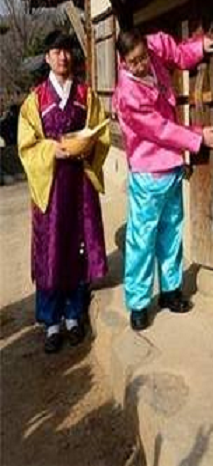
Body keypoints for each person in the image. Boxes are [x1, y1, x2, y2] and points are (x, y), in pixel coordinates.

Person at [113, 28, 213, 331]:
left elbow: (177, 52)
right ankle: (138, 302)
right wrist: (198, 136)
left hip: (171, 165)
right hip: (148, 170)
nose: (141, 65)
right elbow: (160, 129)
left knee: (172, 230)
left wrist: (200, 46)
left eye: (142, 57)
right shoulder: (128, 95)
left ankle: (171, 290)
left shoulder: (154, 46)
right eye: (133, 62)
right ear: (123, 61)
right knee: (142, 239)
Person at [18, 31, 110, 354]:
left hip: (80, 183)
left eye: (67, 51)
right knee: (51, 249)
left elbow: (101, 133)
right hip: (51, 185)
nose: (63, 57)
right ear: (47, 58)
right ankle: (51, 321)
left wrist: (88, 146)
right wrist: (50, 150)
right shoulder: (35, 100)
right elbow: (26, 146)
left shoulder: (86, 94)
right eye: (56, 51)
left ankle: (73, 315)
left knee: (76, 246)